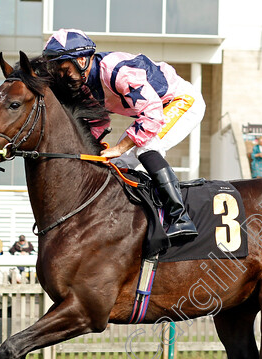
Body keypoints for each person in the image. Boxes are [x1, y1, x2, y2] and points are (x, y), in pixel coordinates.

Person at [43, 28, 204, 238]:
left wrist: (119, 147)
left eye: (64, 69)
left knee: (146, 145)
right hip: (154, 110)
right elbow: (96, 121)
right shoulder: (84, 86)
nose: (62, 76)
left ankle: (180, 217)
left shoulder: (117, 71)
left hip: (181, 101)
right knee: (118, 165)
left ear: (81, 61)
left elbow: (152, 115)